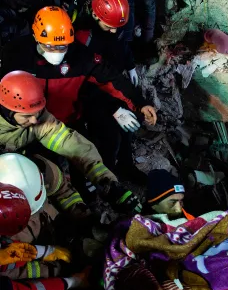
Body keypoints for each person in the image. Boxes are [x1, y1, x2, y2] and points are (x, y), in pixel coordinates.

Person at [0, 8, 157, 174]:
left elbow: (111, 78)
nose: (57, 53)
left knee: (83, 159)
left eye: (63, 47)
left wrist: (139, 103)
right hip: (34, 125)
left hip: (70, 120)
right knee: (46, 171)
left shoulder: (81, 56)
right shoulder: (16, 55)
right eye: (51, 47)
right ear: (35, 37)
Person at [0, 70, 140, 212]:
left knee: (51, 174)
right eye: (27, 116)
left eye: (37, 113)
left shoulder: (38, 119)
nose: (34, 120)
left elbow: (70, 143)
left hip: (25, 158)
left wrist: (107, 182)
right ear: (8, 112)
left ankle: (80, 216)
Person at [75, 0, 136, 84]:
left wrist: (130, 66)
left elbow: (122, 45)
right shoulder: (83, 37)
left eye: (117, 27)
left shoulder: (116, 19)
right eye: (109, 27)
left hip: (115, 72)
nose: (114, 31)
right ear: (95, 15)